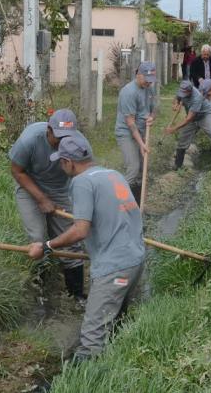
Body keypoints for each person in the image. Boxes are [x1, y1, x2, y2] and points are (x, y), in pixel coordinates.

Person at [27, 134, 145, 361]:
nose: (61, 166)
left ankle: (85, 379)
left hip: (114, 269)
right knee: (117, 323)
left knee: (92, 337)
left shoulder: (81, 182)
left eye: (61, 162)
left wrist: (47, 246)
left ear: (69, 162)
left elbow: (80, 230)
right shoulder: (114, 174)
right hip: (135, 261)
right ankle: (119, 364)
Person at [9, 109, 86, 301]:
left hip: (61, 189)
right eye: (59, 137)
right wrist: (42, 199)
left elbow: (85, 175)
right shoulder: (30, 140)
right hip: (29, 185)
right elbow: (17, 171)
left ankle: (75, 295)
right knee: (38, 236)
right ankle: (40, 291)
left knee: (71, 241)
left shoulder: (80, 144)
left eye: (68, 137)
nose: (63, 143)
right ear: (49, 130)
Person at [115, 61, 157, 203]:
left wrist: (152, 117)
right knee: (133, 168)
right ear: (139, 75)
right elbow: (130, 123)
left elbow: (154, 108)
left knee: (142, 169)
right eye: (147, 79)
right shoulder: (128, 92)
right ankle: (117, 202)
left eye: (151, 80)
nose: (149, 83)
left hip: (141, 130)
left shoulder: (149, 88)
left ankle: (137, 203)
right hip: (126, 133)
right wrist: (141, 144)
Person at [165, 79, 211, 170]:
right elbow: (177, 97)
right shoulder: (183, 90)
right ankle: (177, 167)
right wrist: (176, 104)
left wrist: (174, 128)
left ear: (190, 91)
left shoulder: (197, 97)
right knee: (183, 139)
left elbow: (189, 118)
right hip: (192, 117)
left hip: (204, 115)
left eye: (184, 94)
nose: (182, 95)